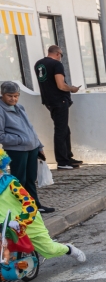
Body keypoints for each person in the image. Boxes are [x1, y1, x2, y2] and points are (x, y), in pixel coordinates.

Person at [0, 146, 85, 264]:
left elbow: (29, 203)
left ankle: (69, 249)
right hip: (4, 228)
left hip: (26, 223)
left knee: (49, 249)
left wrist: (20, 221)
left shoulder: (10, 183)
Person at [0, 82, 53, 213]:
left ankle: (35, 205)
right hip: (16, 150)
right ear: (2, 94)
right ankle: (18, 208)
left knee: (31, 178)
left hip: (32, 148)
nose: (13, 99)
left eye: (16, 96)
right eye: (10, 96)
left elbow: (30, 128)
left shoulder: (19, 107)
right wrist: (21, 140)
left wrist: (39, 145)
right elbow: (1, 135)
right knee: (19, 180)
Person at [34, 45, 80, 170]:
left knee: (65, 129)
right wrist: (72, 88)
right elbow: (61, 85)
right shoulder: (56, 65)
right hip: (59, 100)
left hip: (48, 100)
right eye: (62, 55)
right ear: (58, 54)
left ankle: (67, 156)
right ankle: (62, 161)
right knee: (61, 130)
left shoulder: (39, 64)